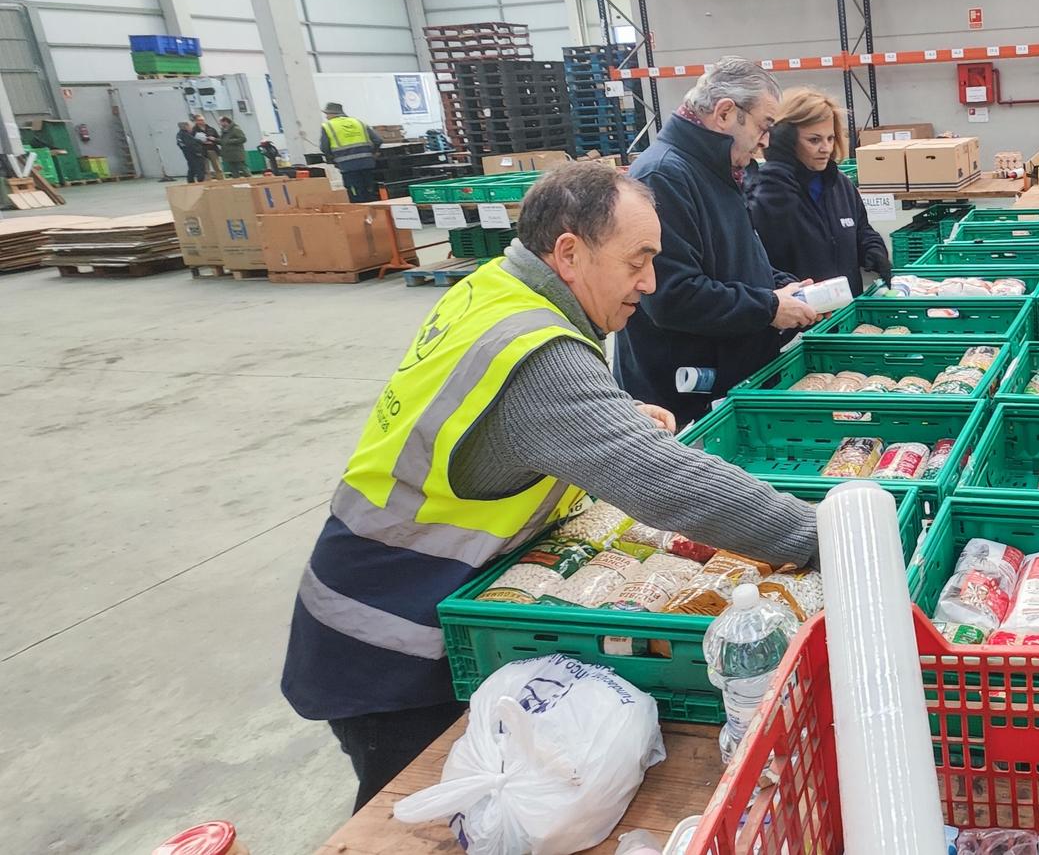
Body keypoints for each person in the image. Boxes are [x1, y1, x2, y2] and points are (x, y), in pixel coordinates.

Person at [281, 161, 819, 812]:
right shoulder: (535, 349)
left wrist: (604, 420)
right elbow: (668, 482)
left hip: (377, 596)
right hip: (387, 642)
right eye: (637, 260)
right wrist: (816, 532)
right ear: (568, 252)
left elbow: (506, 430)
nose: (649, 282)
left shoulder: (499, 290)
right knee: (415, 819)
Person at [613, 59, 821, 426]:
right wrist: (769, 307)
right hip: (685, 400)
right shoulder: (665, 176)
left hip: (726, 383)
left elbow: (730, 259)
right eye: (763, 125)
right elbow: (671, 296)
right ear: (725, 113)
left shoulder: (716, 169)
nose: (766, 140)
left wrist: (781, 287)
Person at [747, 87, 892, 297]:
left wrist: (873, 249)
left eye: (830, 138)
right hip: (797, 318)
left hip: (845, 313)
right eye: (814, 140)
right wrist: (779, 161)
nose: (826, 148)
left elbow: (861, 229)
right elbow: (760, 255)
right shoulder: (768, 189)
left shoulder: (840, 185)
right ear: (787, 140)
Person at [320, 102, 383, 202]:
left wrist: (333, 159)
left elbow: (324, 148)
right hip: (367, 163)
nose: (326, 117)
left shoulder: (328, 126)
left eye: (327, 114)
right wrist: (372, 153)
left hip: (347, 166)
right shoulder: (359, 122)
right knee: (370, 192)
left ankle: (361, 214)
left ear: (332, 114)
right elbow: (378, 140)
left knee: (356, 194)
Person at [191, 113, 223, 179]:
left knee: (218, 168)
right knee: (206, 169)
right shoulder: (193, 131)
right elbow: (192, 142)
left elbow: (219, 139)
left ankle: (221, 180)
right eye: (199, 120)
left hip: (212, 149)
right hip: (202, 151)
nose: (202, 121)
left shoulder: (211, 129)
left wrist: (214, 139)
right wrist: (202, 142)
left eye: (203, 120)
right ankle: (208, 184)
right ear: (195, 121)